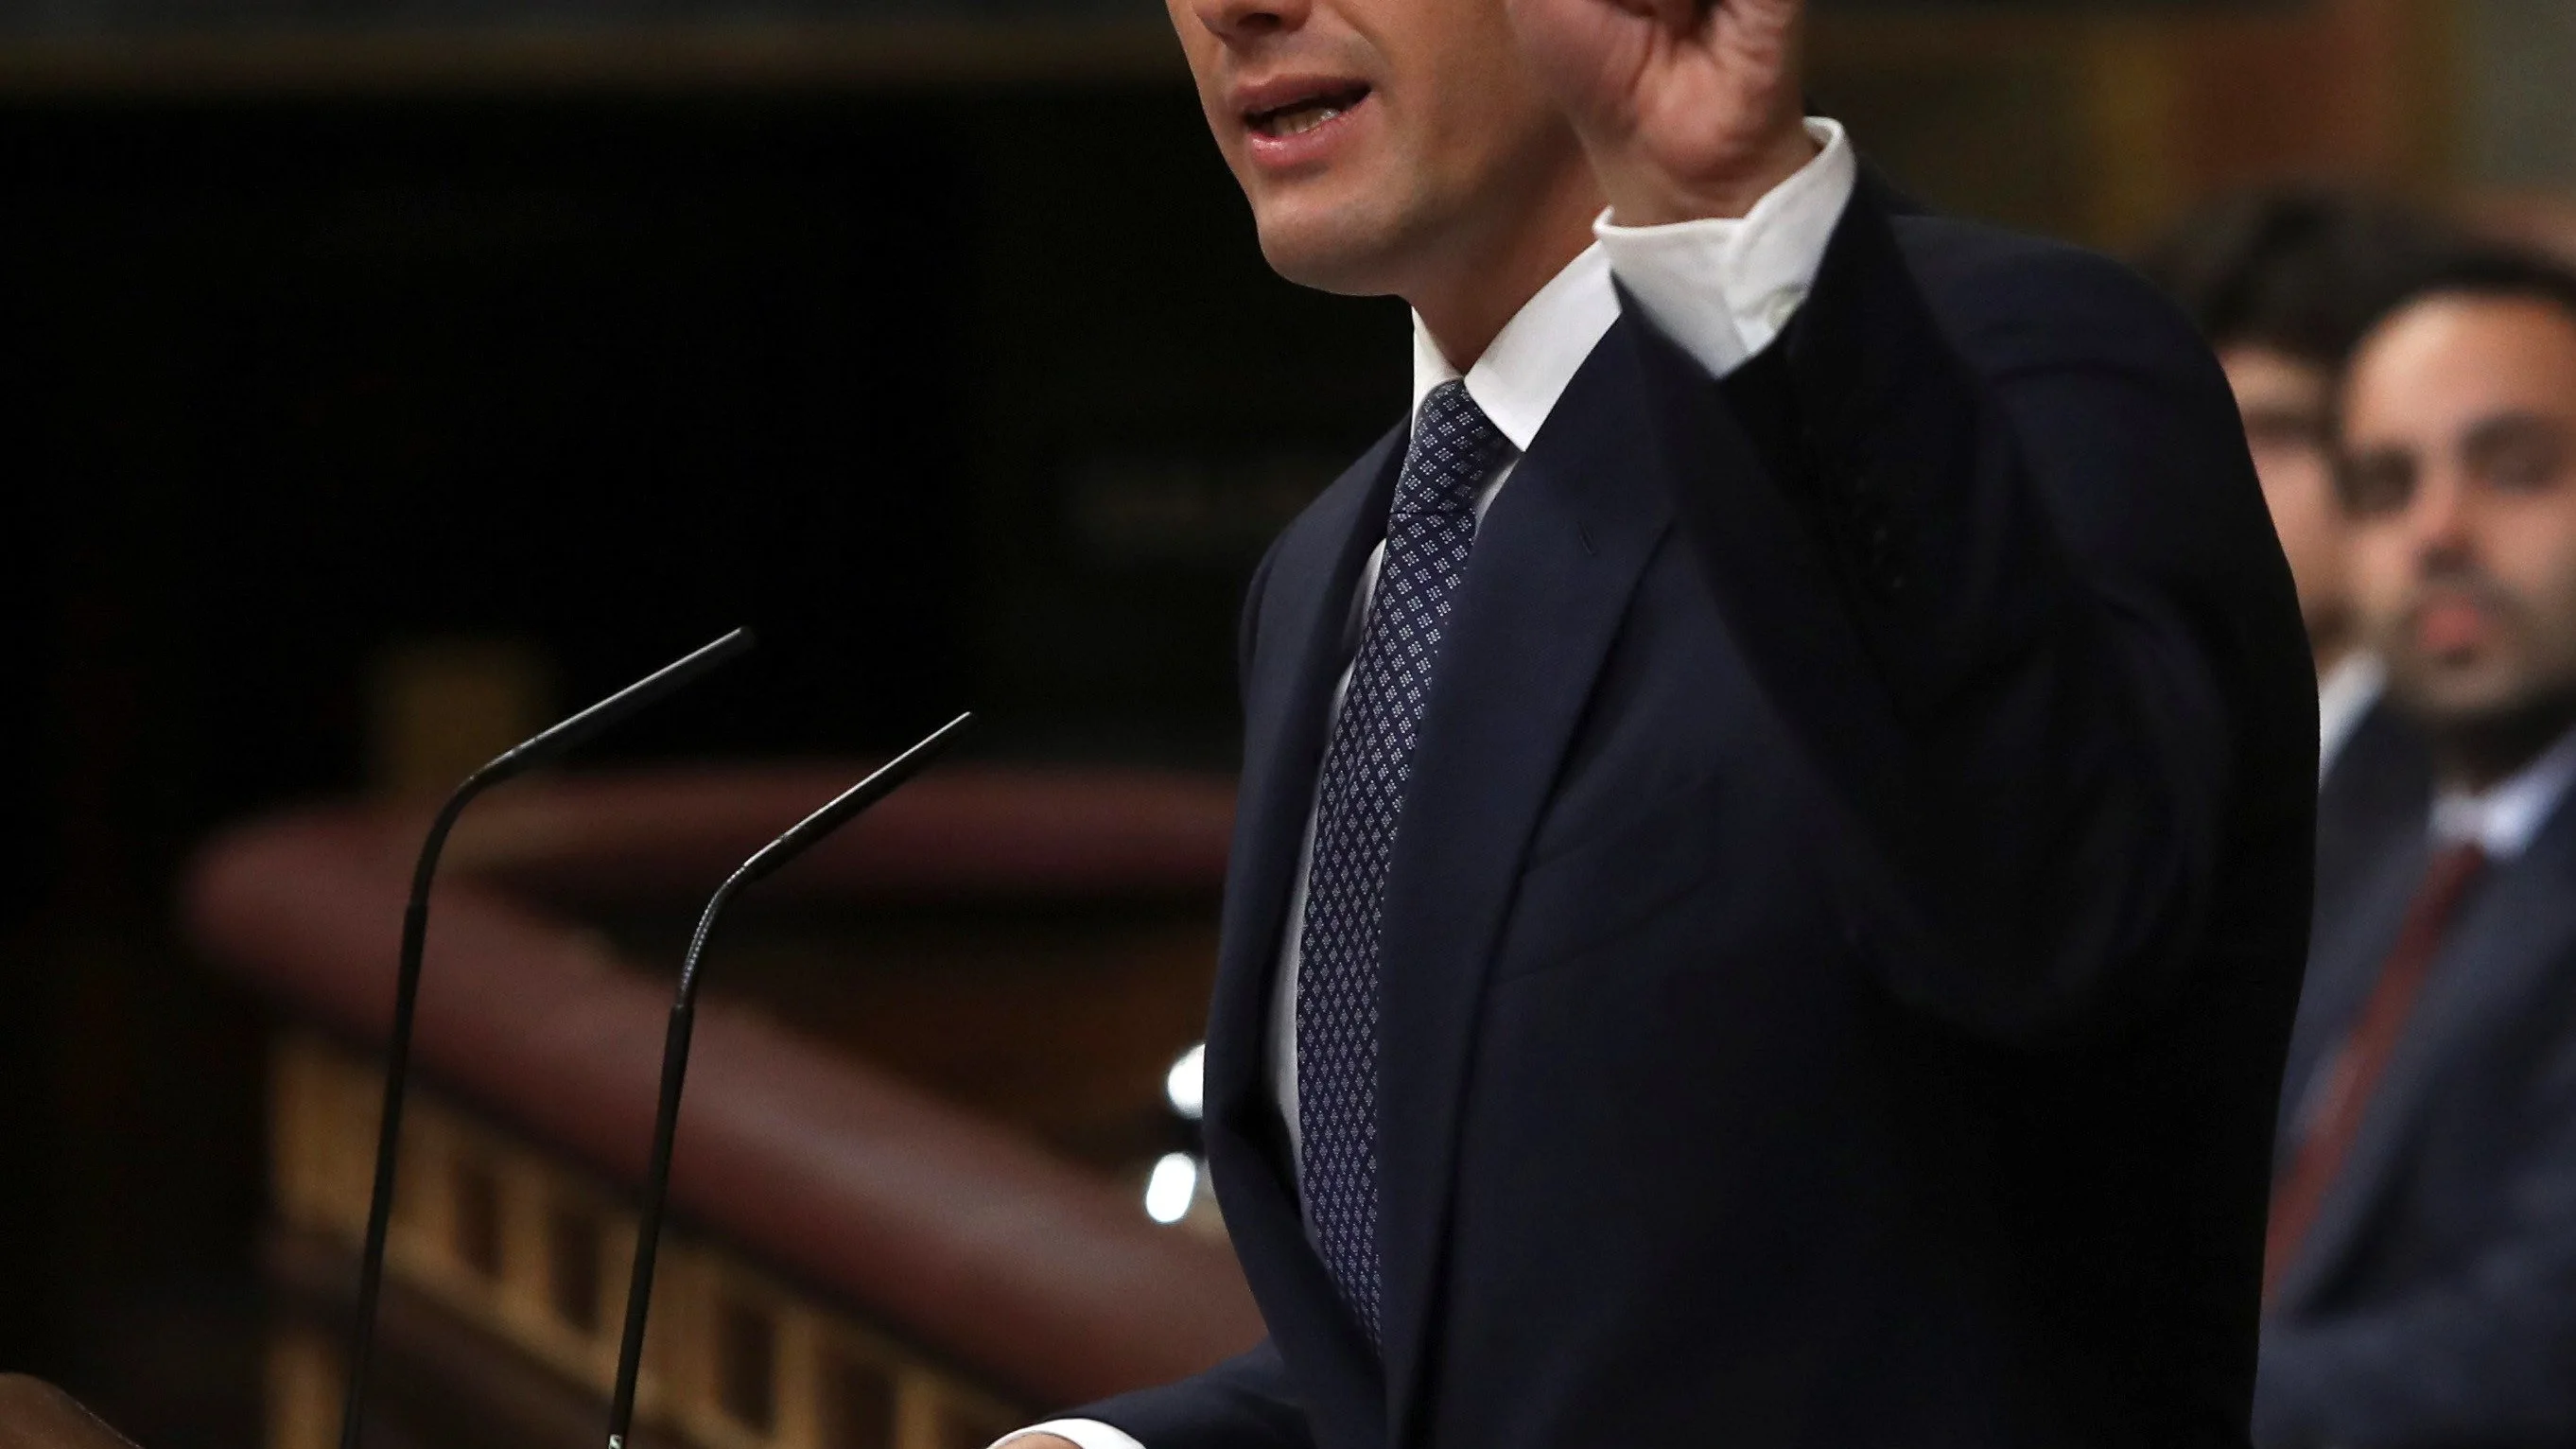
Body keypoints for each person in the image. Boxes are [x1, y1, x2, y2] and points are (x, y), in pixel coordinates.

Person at [1004, 0, 2314, 1443]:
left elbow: (2053, 926)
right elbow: (1490, 1334)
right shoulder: (1328, 565)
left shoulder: (1999, 368)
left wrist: (1726, 219)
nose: (1242, 5)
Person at [2256, 248, 2576, 1447]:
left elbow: (2539, 1348)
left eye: (2515, 469)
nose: (2437, 531)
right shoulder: (2367, 845)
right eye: (2385, 486)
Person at [2140, 191, 2453, 918]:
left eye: (2277, 434)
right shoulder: (2138, 744)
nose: (2215, 477)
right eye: (2184, 432)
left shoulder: (2473, 766)